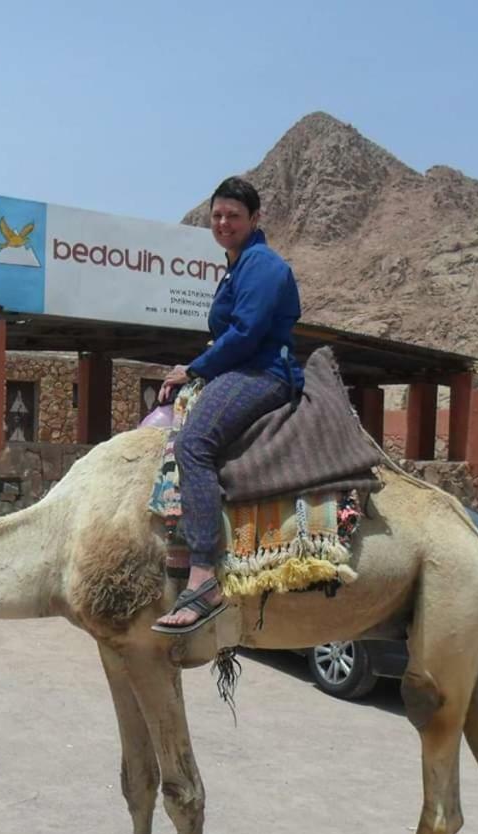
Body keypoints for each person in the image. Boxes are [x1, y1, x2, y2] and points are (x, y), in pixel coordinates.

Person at [153, 176, 304, 634]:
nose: (223, 222)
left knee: (194, 442)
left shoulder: (261, 265)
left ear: (255, 219)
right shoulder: (236, 266)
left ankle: (203, 574)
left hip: (261, 372)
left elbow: (245, 333)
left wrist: (195, 368)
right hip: (241, 366)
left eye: (233, 215)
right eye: (217, 215)